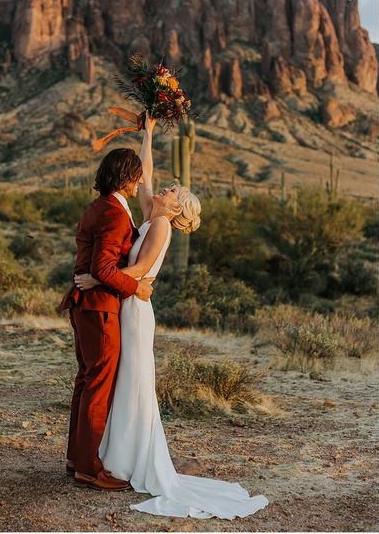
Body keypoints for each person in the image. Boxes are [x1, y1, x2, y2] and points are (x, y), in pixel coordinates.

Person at [74, 113, 269, 519]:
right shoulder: (150, 214)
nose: (164, 188)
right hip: (125, 303)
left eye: (172, 190)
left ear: (176, 206)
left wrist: (97, 278)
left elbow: (140, 271)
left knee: (131, 381)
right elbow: (144, 178)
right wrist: (146, 134)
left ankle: (123, 458)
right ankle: (108, 456)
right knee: (118, 380)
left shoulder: (159, 225)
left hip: (133, 307)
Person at [58, 147, 155, 491]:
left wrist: (149, 133)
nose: (141, 181)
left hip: (85, 304)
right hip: (99, 308)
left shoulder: (98, 206)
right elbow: (102, 267)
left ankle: (76, 458)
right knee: (97, 384)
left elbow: (95, 266)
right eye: (137, 175)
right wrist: (136, 288)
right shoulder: (114, 213)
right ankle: (89, 467)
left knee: (86, 380)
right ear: (126, 176)